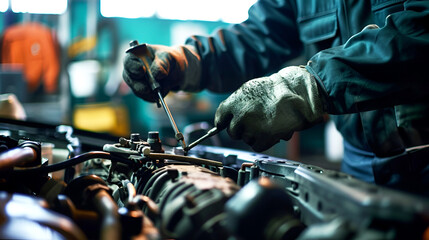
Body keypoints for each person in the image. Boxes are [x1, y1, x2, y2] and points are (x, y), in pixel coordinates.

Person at [123, 0, 429, 195]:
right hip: (359, 164)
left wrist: (309, 86)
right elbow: (260, 36)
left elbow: (419, 34)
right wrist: (187, 61)